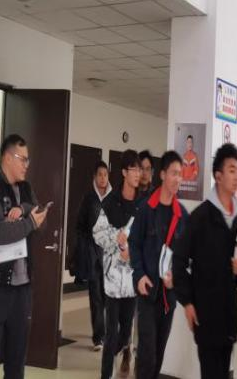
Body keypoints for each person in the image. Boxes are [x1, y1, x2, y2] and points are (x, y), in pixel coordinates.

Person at [0, 135, 48, 379]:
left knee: (16, 360)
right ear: (7, 158)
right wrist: (29, 223)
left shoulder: (26, 188)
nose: (26, 165)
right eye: (22, 159)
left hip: (22, 288)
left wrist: (24, 210)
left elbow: (40, 219)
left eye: (28, 160)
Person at [173, 143, 237, 379]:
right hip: (206, 315)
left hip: (229, 315)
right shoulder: (200, 218)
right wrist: (187, 302)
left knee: (223, 372)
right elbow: (179, 261)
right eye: (231, 170)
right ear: (218, 176)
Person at [129, 150, 189, 379]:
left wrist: (177, 277)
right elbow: (134, 244)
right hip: (147, 293)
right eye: (174, 173)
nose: (178, 179)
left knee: (158, 353)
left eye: (180, 174)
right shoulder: (146, 209)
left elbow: (185, 256)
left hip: (167, 298)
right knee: (147, 354)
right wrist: (139, 275)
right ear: (162, 175)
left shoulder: (182, 215)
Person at [93, 150, 143, 379]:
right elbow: (98, 234)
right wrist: (116, 238)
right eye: (134, 169)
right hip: (113, 280)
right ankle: (106, 374)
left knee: (125, 333)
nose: (138, 173)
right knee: (111, 332)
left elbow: (147, 238)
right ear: (124, 172)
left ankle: (124, 349)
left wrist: (133, 250)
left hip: (132, 280)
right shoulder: (110, 202)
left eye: (140, 169)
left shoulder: (142, 204)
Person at [74, 161, 112, 352]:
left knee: (108, 296)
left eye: (105, 174)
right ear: (94, 177)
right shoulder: (89, 198)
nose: (103, 178)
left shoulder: (114, 198)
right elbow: (79, 226)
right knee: (96, 296)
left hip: (110, 255)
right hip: (93, 254)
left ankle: (109, 332)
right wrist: (85, 245)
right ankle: (99, 338)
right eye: (100, 175)